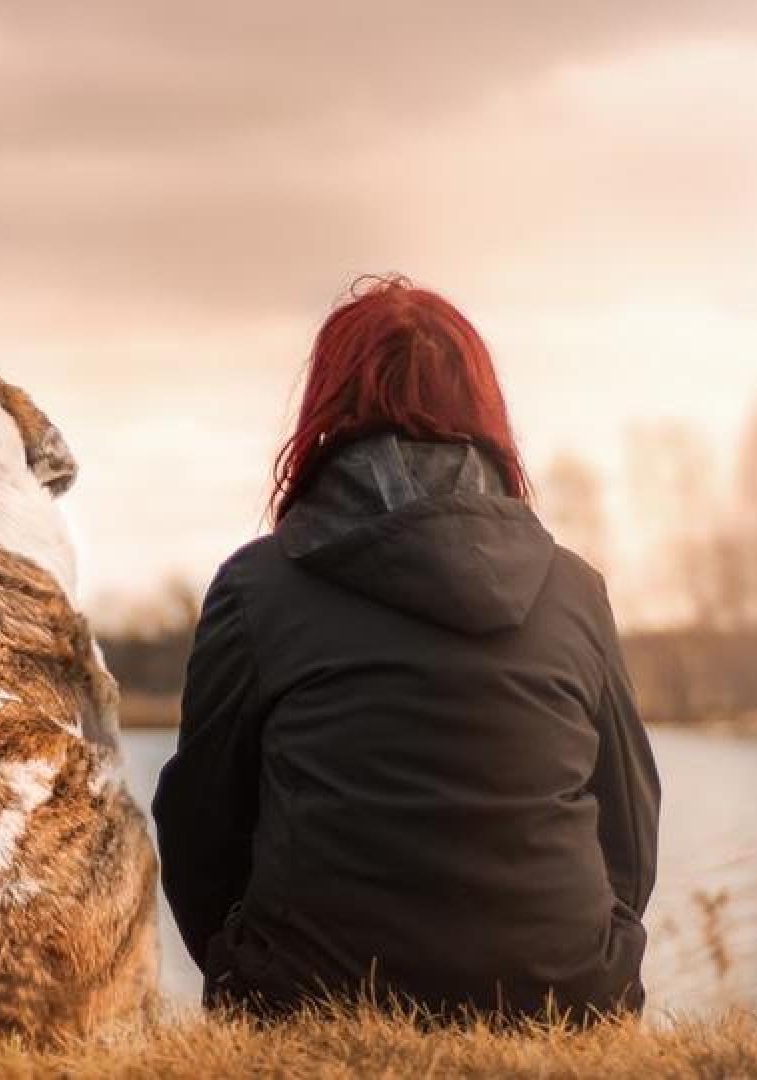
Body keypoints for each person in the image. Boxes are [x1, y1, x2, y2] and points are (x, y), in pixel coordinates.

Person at [152, 275, 659, 1023]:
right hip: (565, 999)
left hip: (308, 999)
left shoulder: (257, 589)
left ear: (327, 409)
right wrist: (588, 956)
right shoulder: (574, 590)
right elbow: (630, 826)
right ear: (484, 411)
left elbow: (199, 826)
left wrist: (245, 966)